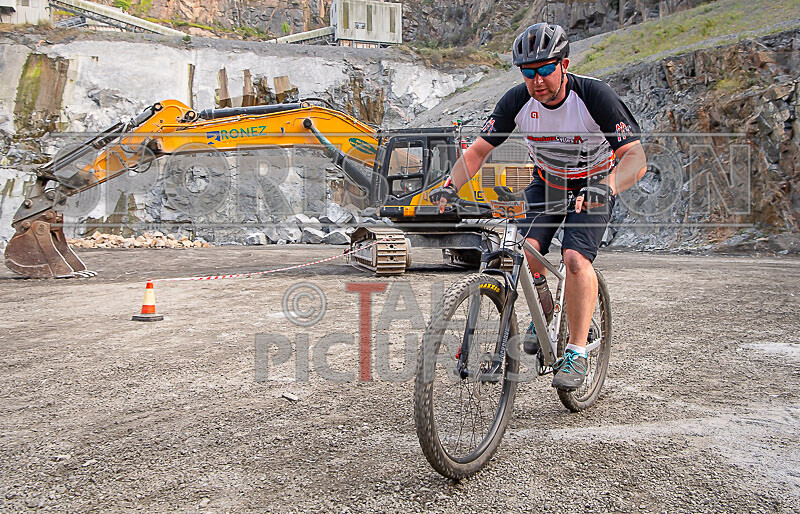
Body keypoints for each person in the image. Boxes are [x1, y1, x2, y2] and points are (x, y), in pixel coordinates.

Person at [430, 23, 647, 391]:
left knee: (576, 259)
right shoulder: (517, 100)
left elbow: (635, 158)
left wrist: (605, 188)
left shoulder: (595, 95)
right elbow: (479, 151)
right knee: (524, 250)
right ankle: (546, 312)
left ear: (564, 64)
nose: (537, 81)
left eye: (545, 69)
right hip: (547, 182)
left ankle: (577, 351)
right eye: (528, 73)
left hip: (593, 182)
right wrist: (451, 187)